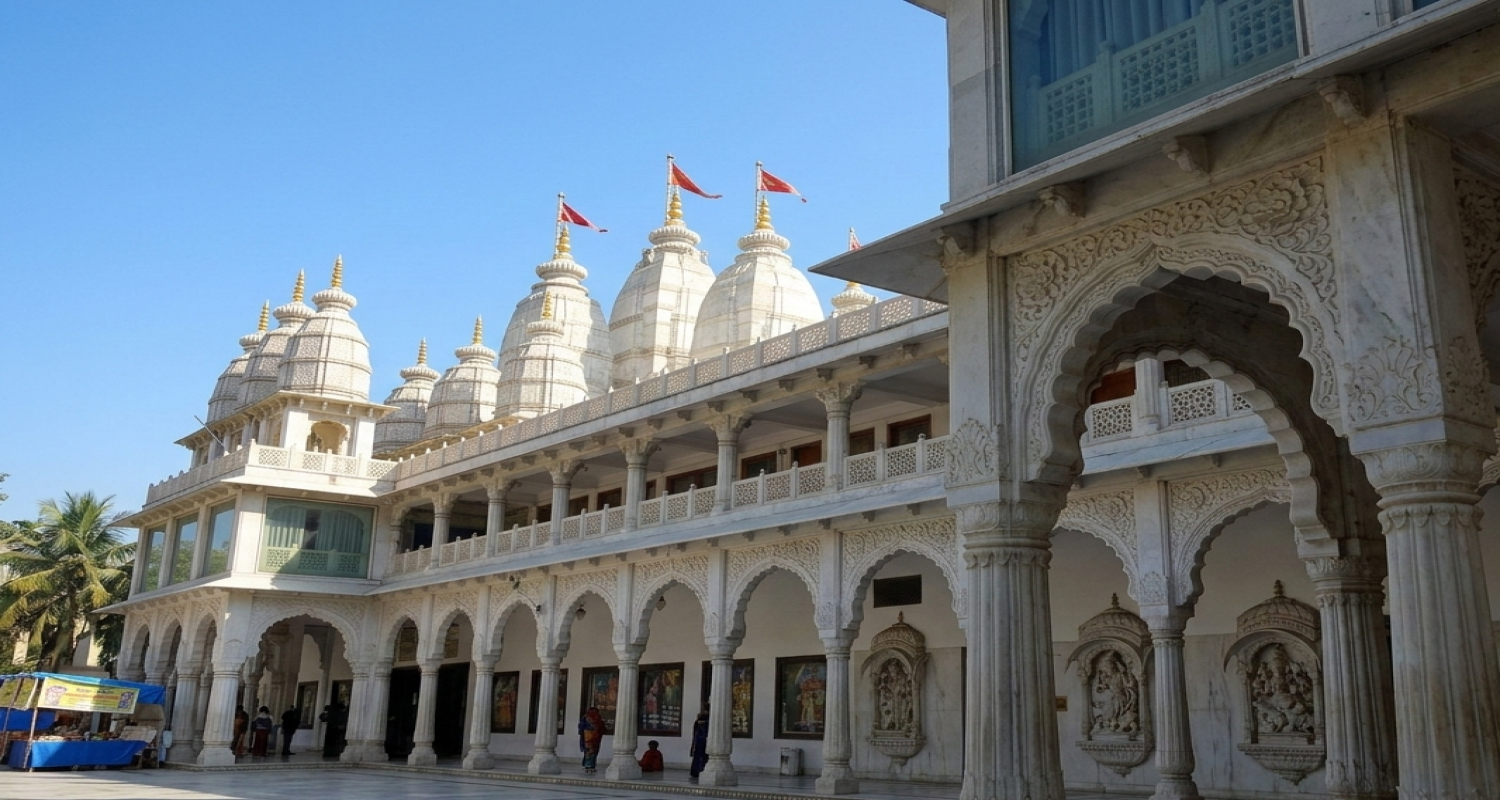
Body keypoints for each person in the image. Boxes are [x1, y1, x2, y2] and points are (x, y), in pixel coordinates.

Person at [578, 706, 605, 773]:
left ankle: (587, 766)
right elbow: (602, 728)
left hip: (587, 737)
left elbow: (581, 727)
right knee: (594, 752)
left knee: (587, 752)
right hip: (596, 738)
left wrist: (582, 733)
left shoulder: (585, 717)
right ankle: (591, 766)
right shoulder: (598, 718)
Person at [688, 704, 709, 780]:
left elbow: (695, 735)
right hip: (703, 742)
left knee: (700, 757)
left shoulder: (700, 723)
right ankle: (699, 770)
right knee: (702, 757)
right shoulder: (706, 722)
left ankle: (697, 771)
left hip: (699, 742)